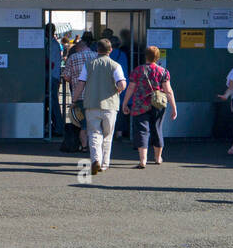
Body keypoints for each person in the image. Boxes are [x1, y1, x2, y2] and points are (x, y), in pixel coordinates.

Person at [120, 46, 177, 169]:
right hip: (158, 104)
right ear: (157, 57)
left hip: (140, 104)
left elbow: (131, 88)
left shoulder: (137, 70)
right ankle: (158, 158)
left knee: (142, 131)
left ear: (145, 56)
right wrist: (173, 107)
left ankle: (143, 160)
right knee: (157, 129)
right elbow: (168, 91)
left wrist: (124, 103)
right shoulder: (163, 71)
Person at [79, 39, 127, 174]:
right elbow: (122, 84)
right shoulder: (115, 65)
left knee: (94, 134)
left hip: (91, 105)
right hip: (110, 106)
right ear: (110, 50)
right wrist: (118, 90)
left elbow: (81, 84)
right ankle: (105, 164)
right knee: (107, 135)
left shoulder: (88, 65)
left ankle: (96, 160)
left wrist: (75, 99)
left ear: (97, 50)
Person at [62, 34, 95, 152]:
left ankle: (85, 146)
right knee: (94, 123)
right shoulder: (96, 56)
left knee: (82, 123)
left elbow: (66, 76)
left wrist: (74, 80)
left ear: (78, 48)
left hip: (79, 96)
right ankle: (95, 146)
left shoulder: (73, 57)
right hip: (95, 97)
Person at [45, 22, 64, 137]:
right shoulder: (53, 44)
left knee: (53, 102)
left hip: (51, 76)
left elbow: (50, 63)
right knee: (52, 102)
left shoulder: (52, 45)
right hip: (53, 76)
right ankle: (56, 126)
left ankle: (59, 127)